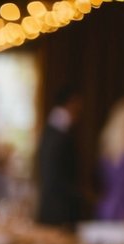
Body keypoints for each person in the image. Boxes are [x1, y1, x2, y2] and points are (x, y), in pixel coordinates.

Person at [35, 86, 83, 228]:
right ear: (72, 102)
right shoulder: (59, 132)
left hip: (50, 207)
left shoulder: (50, 130)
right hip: (58, 210)